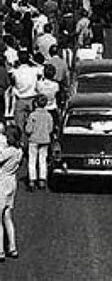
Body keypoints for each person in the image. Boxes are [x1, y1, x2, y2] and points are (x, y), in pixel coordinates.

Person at [0, 124, 23, 261]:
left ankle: (1, 250)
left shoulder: (8, 152)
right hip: (12, 183)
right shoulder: (19, 151)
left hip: (2, 183)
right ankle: (12, 247)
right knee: (7, 216)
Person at [25, 94, 54, 191]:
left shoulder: (32, 115)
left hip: (34, 139)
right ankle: (42, 179)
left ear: (36, 103)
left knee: (32, 160)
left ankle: (32, 180)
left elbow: (28, 129)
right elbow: (50, 129)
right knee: (43, 159)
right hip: (45, 139)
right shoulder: (48, 115)